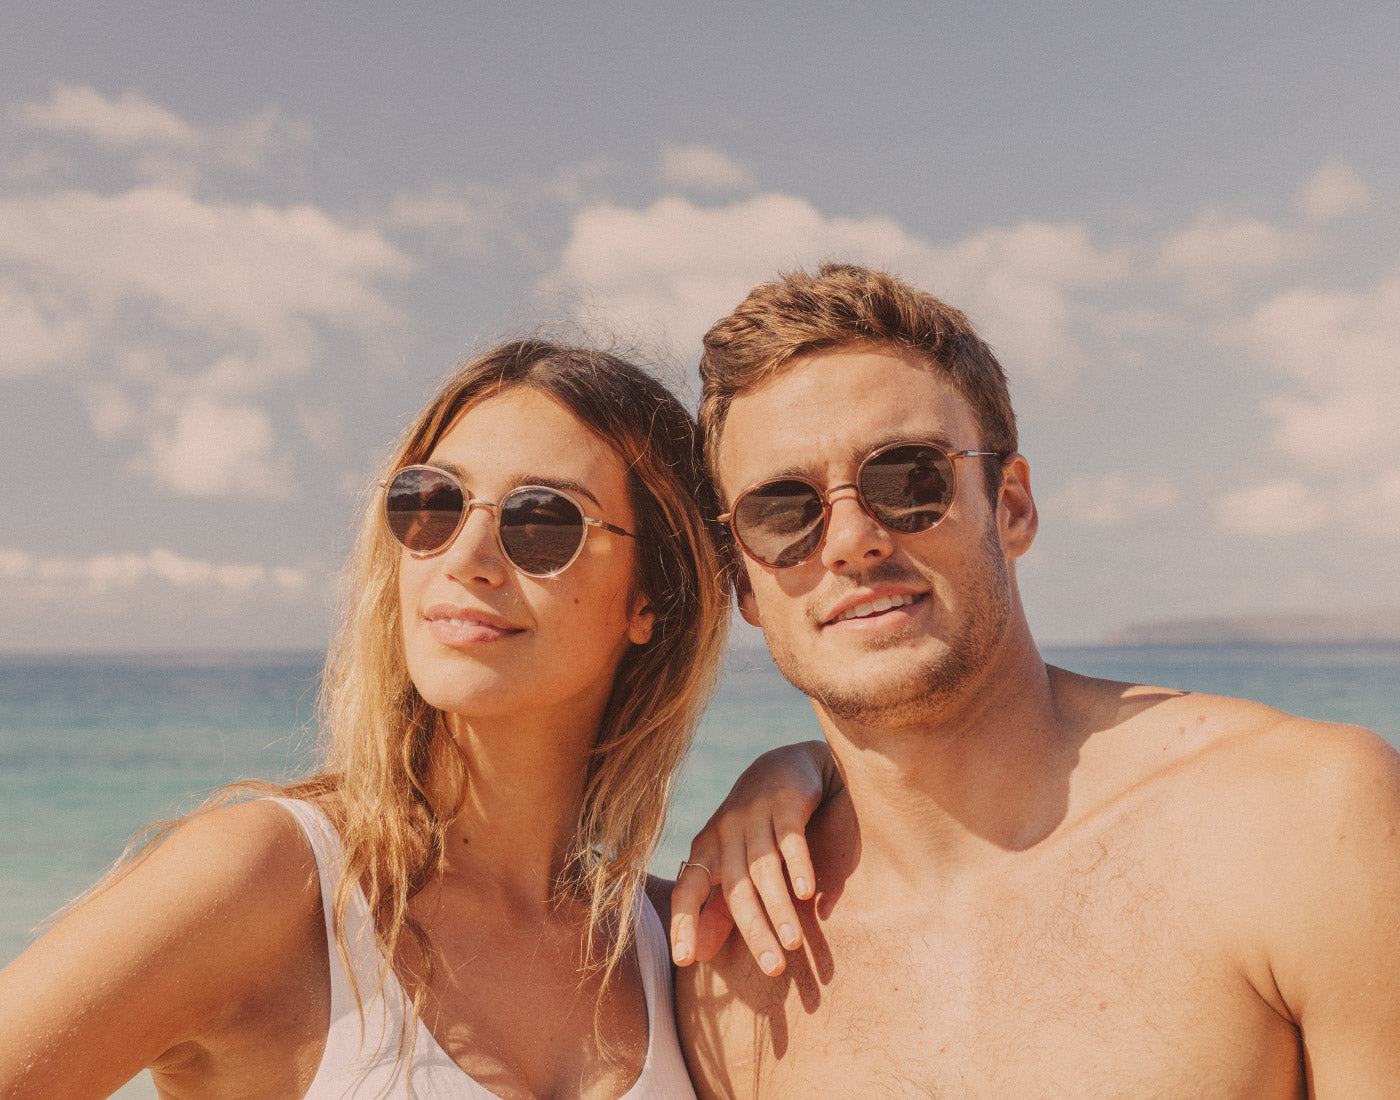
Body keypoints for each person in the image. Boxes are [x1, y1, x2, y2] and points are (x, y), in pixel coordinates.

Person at [0, 339, 819, 1098]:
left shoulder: (672, 952)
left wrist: (812, 769)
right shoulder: (271, 884)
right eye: (432, 502)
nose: (463, 557)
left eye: (541, 521)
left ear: (652, 595)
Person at [670, 264, 1400, 1097]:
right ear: (742, 581)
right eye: (782, 510)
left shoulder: (1302, 822)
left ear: (1010, 506)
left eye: (908, 479)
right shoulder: (728, 968)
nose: (850, 540)